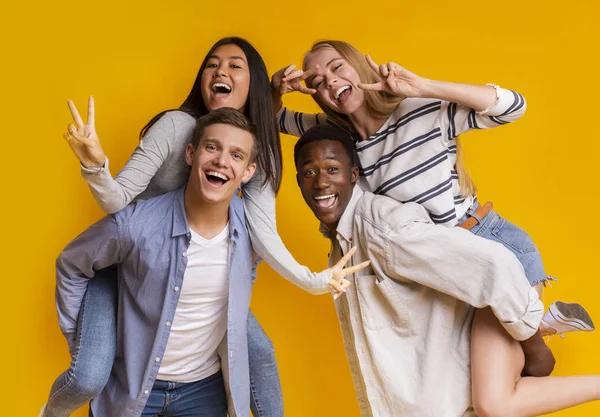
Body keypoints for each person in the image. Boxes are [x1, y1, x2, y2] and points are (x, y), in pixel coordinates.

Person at [43, 37, 357, 417]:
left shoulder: (253, 150)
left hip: (190, 267)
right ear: (192, 153)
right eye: (211, 64)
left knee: (260, 353)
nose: (220, 70)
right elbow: (116, 200)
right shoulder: (177, 128)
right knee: (88, 376)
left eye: (234, 65)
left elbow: (264, 234)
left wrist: (314, 280)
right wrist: (95, 165)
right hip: (127, 265)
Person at [273, 39, 593, 338]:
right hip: (440, 270)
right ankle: (546, 324)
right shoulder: (336, 139)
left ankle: (541, 326)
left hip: (489, 247)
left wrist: (424, 86)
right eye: (316, 81)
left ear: (358, 66)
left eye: (337, 67)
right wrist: (276, 90)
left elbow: (512, 107)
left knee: (505, 371)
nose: (328, 80)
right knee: (484, 380)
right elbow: (274, 118)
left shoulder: (418, 109)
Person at [294, 124, 600, 417]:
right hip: (451, 382)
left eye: (332, 169)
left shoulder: (384, 229)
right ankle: (546, 325)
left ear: (353, 175)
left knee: (496, 403)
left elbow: (495, 265)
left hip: (503, 286)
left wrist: (534, 347)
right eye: (310, 172)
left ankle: (539, 328)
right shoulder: (344, 239)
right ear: (298, 181)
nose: (321, 182)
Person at [55, 108, 260, 417]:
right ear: (191, 153)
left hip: (204, 390)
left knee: (264, 355)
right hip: (131, 390)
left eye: (236, 155)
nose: (221, 161)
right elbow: (72, 263)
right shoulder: (138, 224)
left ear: (247, 172)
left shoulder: (253, 232)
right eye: (212, 147)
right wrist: (78, 341)